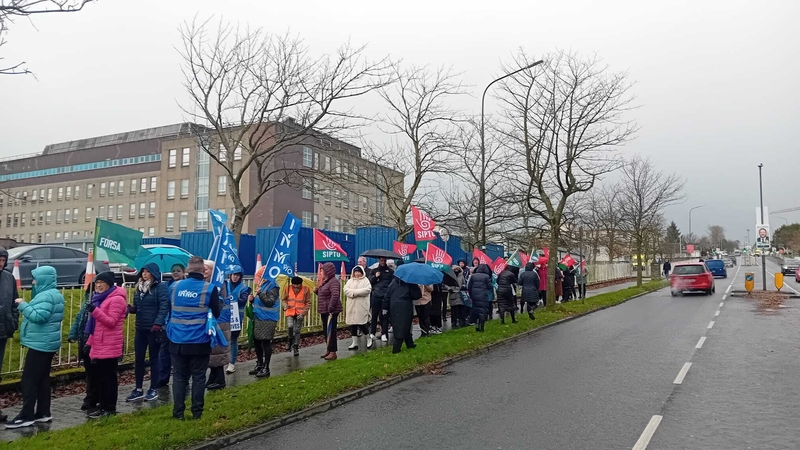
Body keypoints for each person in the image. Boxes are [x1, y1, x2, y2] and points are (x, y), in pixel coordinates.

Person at [6, 266, 64, 429]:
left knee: (29, 380)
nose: (33, 282)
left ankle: (26, 415)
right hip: (47, 343)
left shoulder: (46, 296)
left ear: (43, 279)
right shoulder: (54, 294)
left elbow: (39, 317)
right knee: (42, 379)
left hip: (40, 344)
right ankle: (43, 412)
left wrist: (23, 305)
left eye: (35, 279)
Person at [168, 256, 221, 421]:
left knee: (179, 378)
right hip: (199, 341)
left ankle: (178, 413)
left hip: (177, 339)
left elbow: (170, 310)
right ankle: (197, 413)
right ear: (203, 271)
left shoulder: (174, 287)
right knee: (198, 377)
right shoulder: (210, 289)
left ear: (187, 270)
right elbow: (216, 313)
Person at [84, 271, 128, 419]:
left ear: (108, 284)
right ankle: (102, 406)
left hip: (110, 344)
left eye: (101, 282)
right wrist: (89, 342)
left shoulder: (117, 299)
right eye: (96, 283)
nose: (98, 285)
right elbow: (96, 327)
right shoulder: (101, 298)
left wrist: (95, 311)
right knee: (101, 379)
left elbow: (111, 322)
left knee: (109, 379)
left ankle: (109, 408)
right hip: (100, 344)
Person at [126, 262, 169, 402]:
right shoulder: (139, 288)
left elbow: (164, 306)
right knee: (139, 359)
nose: (144, 274)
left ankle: (153, 388)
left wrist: (158, 323)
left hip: (153, 329)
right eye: (143, 271)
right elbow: (138, 307)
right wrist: (132, 309)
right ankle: (138, 389)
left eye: (147, 271)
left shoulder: (160, 287)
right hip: (140, 328)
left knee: (154, 359)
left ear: (153, 273)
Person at [154, 263, 186, 389]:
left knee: (180, 354)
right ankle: (163, 378)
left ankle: (183, 378)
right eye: (173, 271)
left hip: (181, 325)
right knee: (164, 353)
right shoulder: (166, 285)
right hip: (167, 324)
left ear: (183, 272)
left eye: (178, 270)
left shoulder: (186, 286)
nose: (175, 273)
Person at [68, 287, 98, 414]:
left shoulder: (100, 302)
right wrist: (73, 333)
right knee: (89, 372)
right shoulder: (86, 304)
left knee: (96, 372)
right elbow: (78, 319)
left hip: (95, 342)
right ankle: (90, 397)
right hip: (84, 340)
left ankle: (94, 398)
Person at [0, 247, 19, 421]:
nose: (0, 263)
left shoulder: (8, 278)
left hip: (2, 331)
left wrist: (13, 321)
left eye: (3, 260)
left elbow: (14, 302)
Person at [248, 277, 279, 378]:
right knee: (257, 341)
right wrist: (252, 300)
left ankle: (266, 367)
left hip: (268, 318)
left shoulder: (274, 286)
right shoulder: (262, 285)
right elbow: (260, 301)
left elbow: (270, 302)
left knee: (265, 341)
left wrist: (260, 293)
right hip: (259, 316)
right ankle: (260, 364)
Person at [382, 277, 421, 354]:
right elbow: (417, 295)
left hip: (394, 306)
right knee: (403, 326)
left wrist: (385, 308)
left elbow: (387, 295)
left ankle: (409, 344)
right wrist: (416, 287)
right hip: (405, 307)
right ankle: (396, 348)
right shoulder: (411, 283)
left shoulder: (394, 282)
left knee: (401, 326)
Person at [224, 267, 251, 372]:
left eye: (237, 275)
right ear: (230, 275)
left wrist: (233, 297)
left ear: (240, 277)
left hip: (236, 318)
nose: (235, 277)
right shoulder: (225, 285)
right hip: (225, 316)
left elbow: (243, 301)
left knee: (233, 340)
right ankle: (225, 360)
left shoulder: (244, 288)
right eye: (233, 275)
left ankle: (232, 363)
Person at [315, 262, 341, 361]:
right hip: (324, 310)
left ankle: (333, 351)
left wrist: (331, 307)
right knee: (326, 331)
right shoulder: (326, 282)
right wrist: (317, 291)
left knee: (331, 331)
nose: (321, 273)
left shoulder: (334, 282)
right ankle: (329, 349)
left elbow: (335, 295)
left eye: (322, 271)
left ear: (328, 272)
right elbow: (325, 295)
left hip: (330, 311)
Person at [344, 266, 372, 350]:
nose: (357, 274)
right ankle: (354, 342)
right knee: (353, 324)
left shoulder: (365, 281)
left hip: (361, 306)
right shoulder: (350, 281)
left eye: (359, 272)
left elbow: (367, 290)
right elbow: (346, 290)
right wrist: (356, 293)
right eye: (356, 272)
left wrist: (354, 292)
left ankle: (368, 338)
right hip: (351, 306)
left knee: (362, 324)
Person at [282, 276, 309, 356]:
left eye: (298, 285)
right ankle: (290, 339)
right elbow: (284, 300)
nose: (297, 287)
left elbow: (308, 303)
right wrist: (285, 305)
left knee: (297, 330)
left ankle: (296, 346)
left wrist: (303, 313)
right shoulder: (288, 288)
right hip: (290, 311)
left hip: (300, 313)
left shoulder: (306, 289)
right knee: (290, 326)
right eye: (295, 285)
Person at [369, 258, 393, 343]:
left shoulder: (390, 272)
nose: (383, 262)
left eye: (384, 260)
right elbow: (370, 282)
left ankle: (384, 333)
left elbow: (392, 283)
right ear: (379, 261)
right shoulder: (374, 271)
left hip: (385, 297)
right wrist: (375, 277)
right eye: (381, 260)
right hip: (376, 296)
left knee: (384, 316)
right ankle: (372, 333)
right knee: (374, 315)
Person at [467, 264, 493, 332]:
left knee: (476, 310)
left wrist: (471, 295)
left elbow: (469, 286)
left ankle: (477, 325)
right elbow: (489, 287)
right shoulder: (486, 276)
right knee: (482, 311)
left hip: (474, 295)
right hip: (483, 296)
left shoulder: (473, 276)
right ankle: (482, 326)